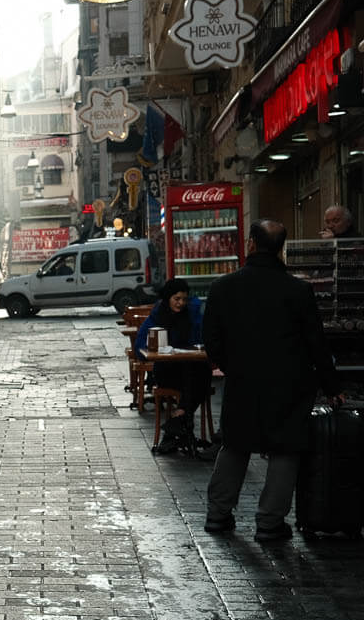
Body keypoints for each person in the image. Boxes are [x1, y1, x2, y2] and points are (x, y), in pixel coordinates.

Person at [202, 220, 343, 541]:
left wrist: (232, 365)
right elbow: (316, 345)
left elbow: (211, 339)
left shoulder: (223, 287)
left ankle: (218, 515)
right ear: (280, 248)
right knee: (284, 450)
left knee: (235, 445)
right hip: (289, 384)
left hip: (242, 381)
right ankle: (269, 522)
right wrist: (332, 387)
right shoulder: (298, 290)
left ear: (251, 244)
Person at [133, 278, 209, 453]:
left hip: (190, 368)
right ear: (168, 298)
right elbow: (139, 347)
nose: (181, 303)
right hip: (167, 370)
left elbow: (202, 338)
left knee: (199, 372)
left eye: (184, 299)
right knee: (195, 378)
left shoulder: (192, 313)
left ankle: (178, 418)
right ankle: (180, 426)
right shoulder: (158, 315)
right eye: (177, 299)